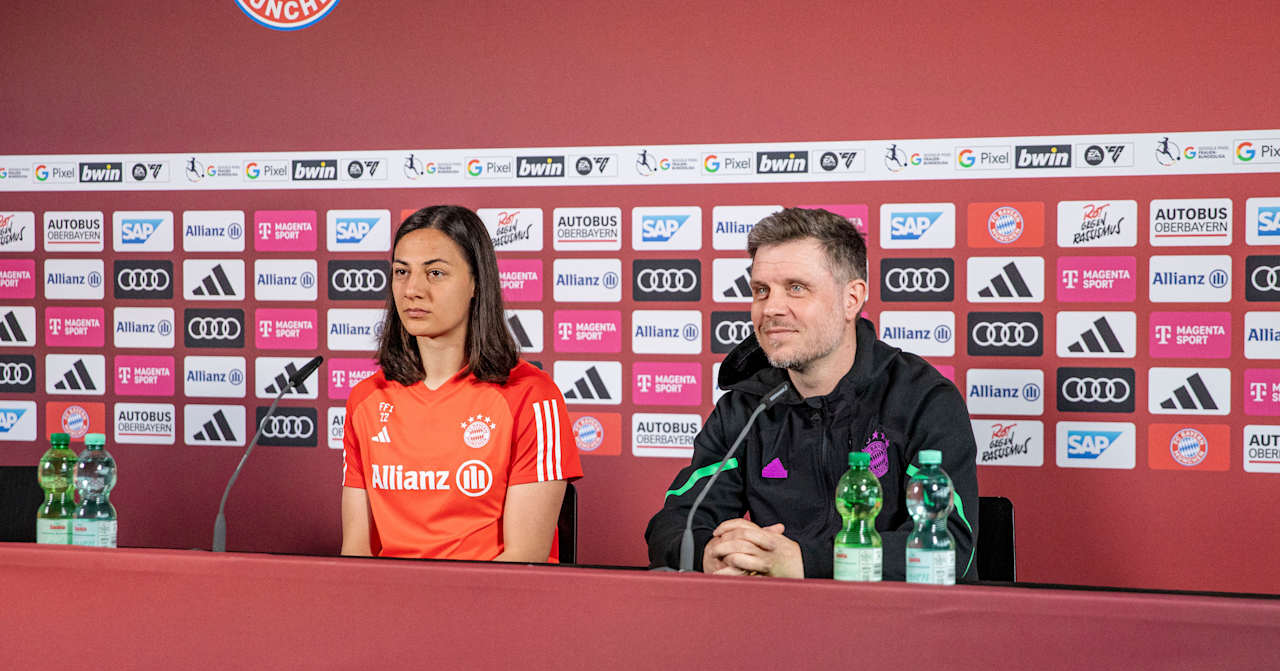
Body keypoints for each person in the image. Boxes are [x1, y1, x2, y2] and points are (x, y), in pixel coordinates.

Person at [645, 207, 978, 579]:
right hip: (777, 626)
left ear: (852, 298)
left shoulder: (923, 399)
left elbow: (947, 546)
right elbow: (673, 523)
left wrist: (806, 561)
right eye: (761, 290)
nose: (771, 308)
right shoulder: (746, 407)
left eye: (796, 289)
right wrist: (711, 554)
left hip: (900, 628)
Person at [341, 205, 581, 561]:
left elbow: (525, 557)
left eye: (435, 273)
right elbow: (356, 552)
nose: (413, 289)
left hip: (493, 606)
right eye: (401, 272)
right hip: (390, 606)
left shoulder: (532, 396)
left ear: (475, 283)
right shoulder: (365, 399)